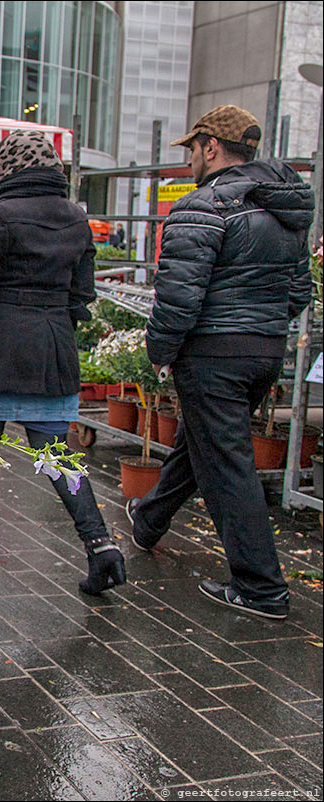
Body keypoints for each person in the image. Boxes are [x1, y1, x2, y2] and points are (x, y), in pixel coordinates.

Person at [125, 106, 313, 620]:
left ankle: (261, 588)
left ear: (211, 147)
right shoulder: (285, 209)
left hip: (212, 356)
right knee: (203, 444)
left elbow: (178, 298)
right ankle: (149, 520)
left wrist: (161, 353)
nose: (188, 160)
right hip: (263, 352)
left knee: (227, 466)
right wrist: (259, 325)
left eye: (191, 149)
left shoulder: (202, 206)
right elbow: (299, 290)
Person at [0, 129, 126, 597]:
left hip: (1, 339)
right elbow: (84, 295)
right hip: (52, 344)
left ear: (7, 167)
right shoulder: (77, 218)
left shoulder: (0, 213)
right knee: (57, 453)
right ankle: (100, 545)